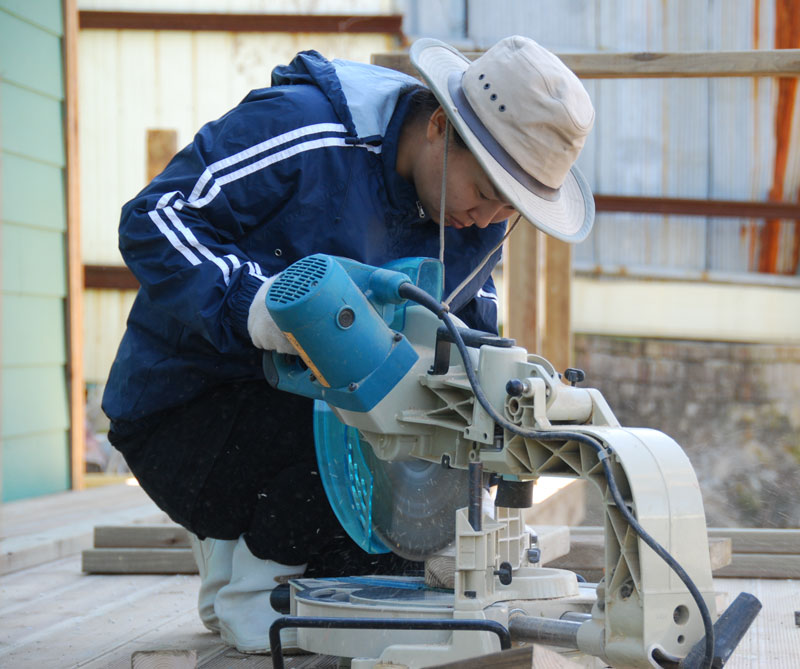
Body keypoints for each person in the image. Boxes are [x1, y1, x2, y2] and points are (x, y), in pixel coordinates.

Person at [102, 35, 595, 653]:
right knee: (343, 398)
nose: (492, 218)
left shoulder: (475, 216)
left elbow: (470, 339)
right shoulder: (305, 131)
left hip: (313, 420)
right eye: (489, 191)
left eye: (512, 208)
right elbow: (154, 218)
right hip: (185, 409)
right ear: (441, 125)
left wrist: (485, 446)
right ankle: (257, 594)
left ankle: (244, 559)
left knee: (401, 567)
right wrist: (252, 306)